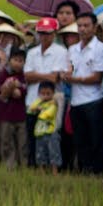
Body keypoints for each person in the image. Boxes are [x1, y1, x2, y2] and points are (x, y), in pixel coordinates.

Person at [65, 13, 103, 174]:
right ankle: (86, 171)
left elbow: (96, 77)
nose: (83, 29)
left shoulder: (101, 48)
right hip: (76, 101)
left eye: (86, 25)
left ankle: (99, 172)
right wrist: (68, 76)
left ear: (94, 28)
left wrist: (73, 79)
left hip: (94, 100)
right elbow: (69, 71)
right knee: (80, 139)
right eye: (80, 26)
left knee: (97, 140)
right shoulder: (73, 49)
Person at [23, 18, 67, 167]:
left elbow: (55, 78)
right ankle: (35, 168)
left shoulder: (61, 51)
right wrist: (46, 75)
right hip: (32, 101)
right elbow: (27, 77)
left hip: (51, 105)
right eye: (41, 33)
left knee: (51, 139)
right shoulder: (32, 52)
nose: (44, 36)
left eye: (47, 33)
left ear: (54, 33)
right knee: (33, 138)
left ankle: (53, 169)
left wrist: (37, 75)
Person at [0, 47, 29, 169]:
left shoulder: (25, 76)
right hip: (5, 115)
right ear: (10, 60)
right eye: (15, 59)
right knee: (6, 142)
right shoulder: (3, 73)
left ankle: (24, 165)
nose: (18, 63)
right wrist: (11, 88)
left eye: (21, 60)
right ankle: (9, 166)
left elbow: (20, 93)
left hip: (21, 115)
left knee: (22, 143)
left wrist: (14, 88)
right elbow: (2, 92)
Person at [28, 81, 62, 173]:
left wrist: (40, 109)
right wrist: (40, 101)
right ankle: (42, 171)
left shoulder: (54, 103)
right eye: (43, 93)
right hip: (40, 132)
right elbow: (31, 108)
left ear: (53, 93)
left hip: (51, 132)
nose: (45, 96)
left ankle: (54, 171)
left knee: (54, 152)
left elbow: (48, 114)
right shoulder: (39, 102)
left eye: (48, 93)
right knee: (40, 152)